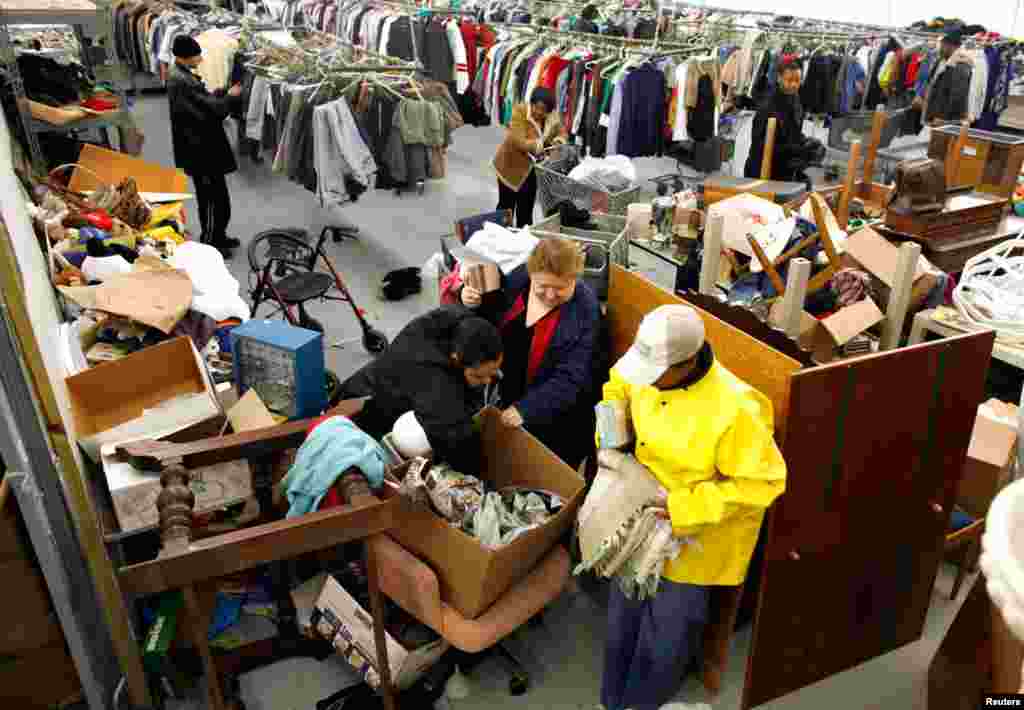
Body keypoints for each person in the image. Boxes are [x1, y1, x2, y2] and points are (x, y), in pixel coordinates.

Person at [595, 305, 787, 710]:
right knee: (623, 613)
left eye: (654, 376)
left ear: (686, 363)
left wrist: (681, 508)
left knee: (667, 633)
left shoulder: (737, 409)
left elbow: (763, 483)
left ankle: (643, 703)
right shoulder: (645, 363)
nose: (645, 381)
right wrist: (611, 439)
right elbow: (616, 387)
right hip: (638, 514)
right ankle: (612, 700)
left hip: (692, 538)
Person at [461, 237, 601, 469]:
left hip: (552, 412)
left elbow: (572, 378)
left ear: (575, 278)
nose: (550, 295)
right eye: (542, 286)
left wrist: (527, 409)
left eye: (561, 288)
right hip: (507, 389)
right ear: (531, 274)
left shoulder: (586, 311)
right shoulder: (518, 279)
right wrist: (471, 300)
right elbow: (491, 315)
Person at [337, 305, 503, 473]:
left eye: (493, 371)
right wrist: (480, 473)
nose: (487, 381)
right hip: (365, 408)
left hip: (380, 378)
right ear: (456, 358)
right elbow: (453, 438)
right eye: (478, 376)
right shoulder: (432, 381)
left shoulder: (461, 323)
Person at [167, 35, 242, 257]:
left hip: (203, 147)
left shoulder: (182, 76)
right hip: (201, 151)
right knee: (210, 199)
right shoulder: (182, 81)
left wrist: (219, 94)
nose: (200, 59)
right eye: (197, 55)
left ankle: (219, 235)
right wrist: (229, 97)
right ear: (185, 56)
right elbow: (212, 111)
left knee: (218, 197)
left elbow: (203, 103)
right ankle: (210, 242)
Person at [493, 87, 568, 227]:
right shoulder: (519, 112)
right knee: (506, 209)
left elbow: (562, 133)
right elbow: (519, 141)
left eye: (543, 110)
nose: (539, 112)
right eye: (536, 107)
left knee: (526, 212)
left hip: (532, 171)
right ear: (531, 103)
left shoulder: (551, 117)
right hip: (510, 166)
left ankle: (522, 238)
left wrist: (557, 142)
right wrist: (542, 141)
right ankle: (500, 235)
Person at [744, 58, 824, 185]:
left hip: (785, 167)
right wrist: (798, 149)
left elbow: (794, 132)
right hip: (762, 170)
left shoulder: (795, 99)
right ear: (779, 78)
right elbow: (760, 146)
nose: (794, 85)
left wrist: (806, 142)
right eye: (789, 80)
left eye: (797, 80)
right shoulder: (767, 106)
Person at [914, 32, 973, 127]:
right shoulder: (941, 60)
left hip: (943, 119)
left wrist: (944, 119)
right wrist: (921, 95)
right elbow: (931, 81)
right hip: (932, 114)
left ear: (951, 46)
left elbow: (958, 96)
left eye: (942, 45)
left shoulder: (960, 65)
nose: (940, 48)